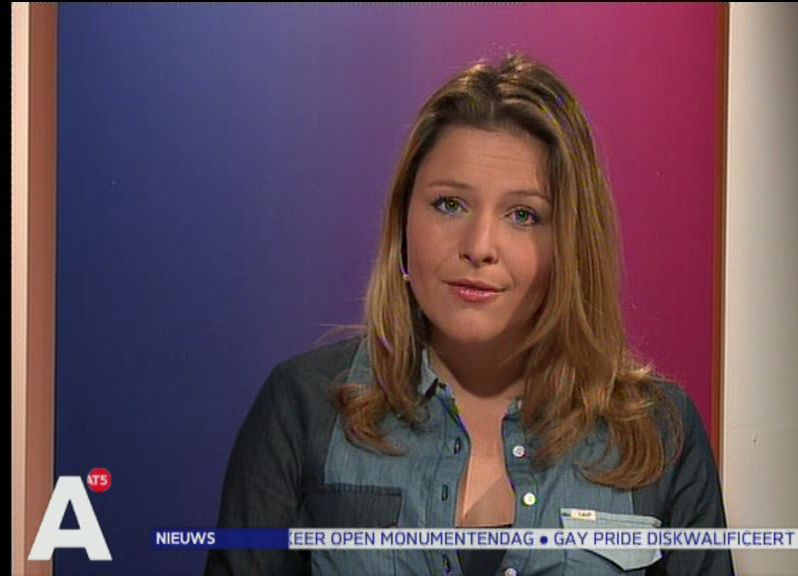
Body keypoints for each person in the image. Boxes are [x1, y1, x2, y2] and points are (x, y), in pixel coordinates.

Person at [206, 53, 733, 576]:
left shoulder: (656, 430)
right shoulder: (305, 407)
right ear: (403, 221)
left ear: (572, 243)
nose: (479, 246)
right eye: (449, 205)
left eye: (523, 215)